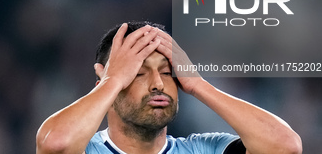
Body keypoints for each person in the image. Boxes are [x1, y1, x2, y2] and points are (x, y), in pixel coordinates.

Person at [36, 21, 302, 154]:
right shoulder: (86, 149)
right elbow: (56, 144)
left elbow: (285, 146)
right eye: (138, 73)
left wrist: (198, 84)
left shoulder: (204, 149)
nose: (158, 84)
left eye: (167, 72)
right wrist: (113, 81)